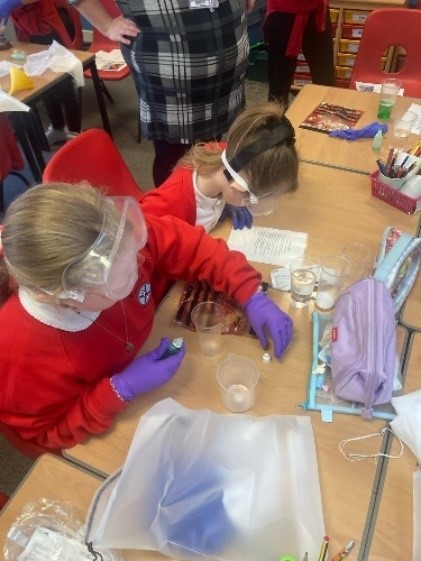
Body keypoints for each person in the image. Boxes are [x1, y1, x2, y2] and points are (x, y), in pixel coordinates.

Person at [0, 182, 293, 450]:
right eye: (117, 282)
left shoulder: (112, 237)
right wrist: (118, 389)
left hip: (157, 370)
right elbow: (46, 436)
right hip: (114, 433)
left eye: (135, 253)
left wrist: (250, 291)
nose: (138, 266)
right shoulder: (17, 352)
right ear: (54, 296)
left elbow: (191, 246)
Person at [73, 0, 256, 186]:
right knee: (173, 157)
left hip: (227, 56)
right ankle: (172, 210)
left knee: (211, 148)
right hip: (169, 68)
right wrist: (107, 25)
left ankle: (206, 200)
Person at [140, 101, 299, 233]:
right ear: (238, 188)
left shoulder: (233, 154)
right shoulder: (165, 209)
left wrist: (229, 205)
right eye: (250, 202)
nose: (248, 205)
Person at [9, 0, 81, 145]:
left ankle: (75, 132)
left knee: (63, 82)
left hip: (47, 26)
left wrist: (10, 2)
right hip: (27, 26)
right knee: (43, 81)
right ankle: (58, 128)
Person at [263, 0, 335, 106]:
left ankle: (327, 116)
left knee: (324, 75)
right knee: (279, 84)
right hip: (283, 11)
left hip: (317, 9)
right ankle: (276, 120)